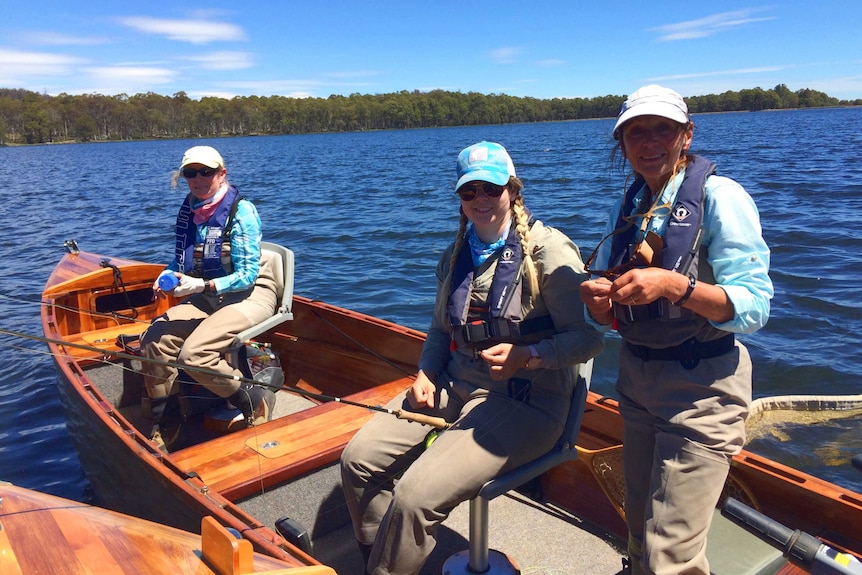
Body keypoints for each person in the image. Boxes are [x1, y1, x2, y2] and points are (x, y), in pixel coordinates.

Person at [340, 141, 603, 575]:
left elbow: (589, 340)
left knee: (414, 496)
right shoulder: (455, 255)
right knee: (358, 460)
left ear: (513, 191)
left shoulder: (548, 252)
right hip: (455, 383)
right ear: (459, 199)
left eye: (491, 189)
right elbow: (441, 331)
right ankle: (379, 557)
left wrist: (530, 355)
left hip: (526, 399)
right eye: (469, 192)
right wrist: (425, 371)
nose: (481, 199)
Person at [579, 85, 773, 575]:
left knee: (672, 555)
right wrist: (599, 303)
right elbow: (605, 313)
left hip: (702, 387)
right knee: (640, 531)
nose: (649, 142)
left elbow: (753, 307)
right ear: (621, 143)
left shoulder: (720, 197)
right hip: (638, 384)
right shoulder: (628, 206)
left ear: (686, 135)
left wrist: (674, 286)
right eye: (635, 132)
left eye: (663, 129)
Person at [139, 145, 278, 451]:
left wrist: (198, 287)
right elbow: (184, 259)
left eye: (207, 172)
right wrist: (166, 274)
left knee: (194, 354)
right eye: (191, 173)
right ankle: (168, 420)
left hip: (250, 294)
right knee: (154, 339)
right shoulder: (190, 208)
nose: (198, 179)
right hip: (209, 290)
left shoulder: (242, 211)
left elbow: (246, 276)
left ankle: (252, 400)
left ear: (221, 174)